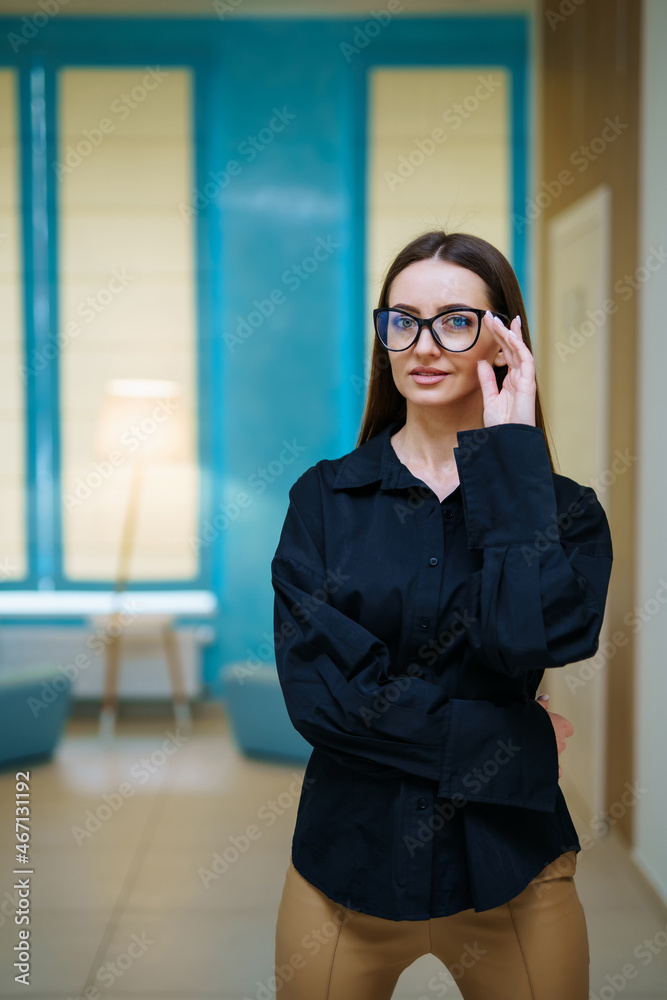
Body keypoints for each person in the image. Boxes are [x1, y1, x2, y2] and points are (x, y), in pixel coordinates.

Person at [269, 229, 613, 1000]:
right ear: (383, 335)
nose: (422, 344)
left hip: (512, 869)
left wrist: (511, 459)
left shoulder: (566, 514)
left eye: (454, 320)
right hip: (343, 876)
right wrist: (512, 741)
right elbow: (326, 700)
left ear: (501, 338)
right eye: (402, 320)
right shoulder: (322, 502)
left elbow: (534, 636)